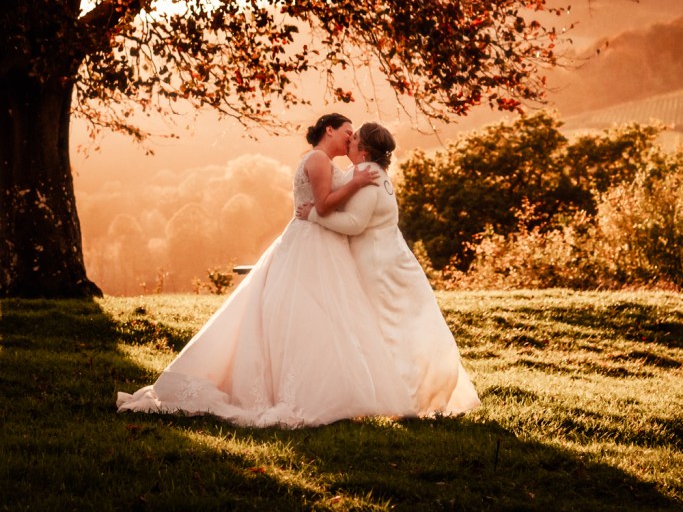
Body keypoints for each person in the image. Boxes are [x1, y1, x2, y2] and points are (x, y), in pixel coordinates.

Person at [117, 114, 417, 427]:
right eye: (347, 131)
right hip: (312, 243)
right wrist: (355, 183)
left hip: (323, 241)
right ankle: (309, 393)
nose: (350, 138)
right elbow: (323, 205)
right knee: (311, 313)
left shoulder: (324, 161)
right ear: (329, 130)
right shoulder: (318, 159)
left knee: (325, 316)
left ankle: (331, 390)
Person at [298, 122, 480, 416]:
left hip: (379, 267)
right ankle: (404, 393)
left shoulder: (366, 175)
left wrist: (313, 216)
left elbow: (355, 224)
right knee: (400, 328)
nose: (350, 139)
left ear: (364, 151)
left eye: (355, 138)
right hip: (392, 260)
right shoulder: (373, 174)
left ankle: (406, 398)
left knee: (390, 329)